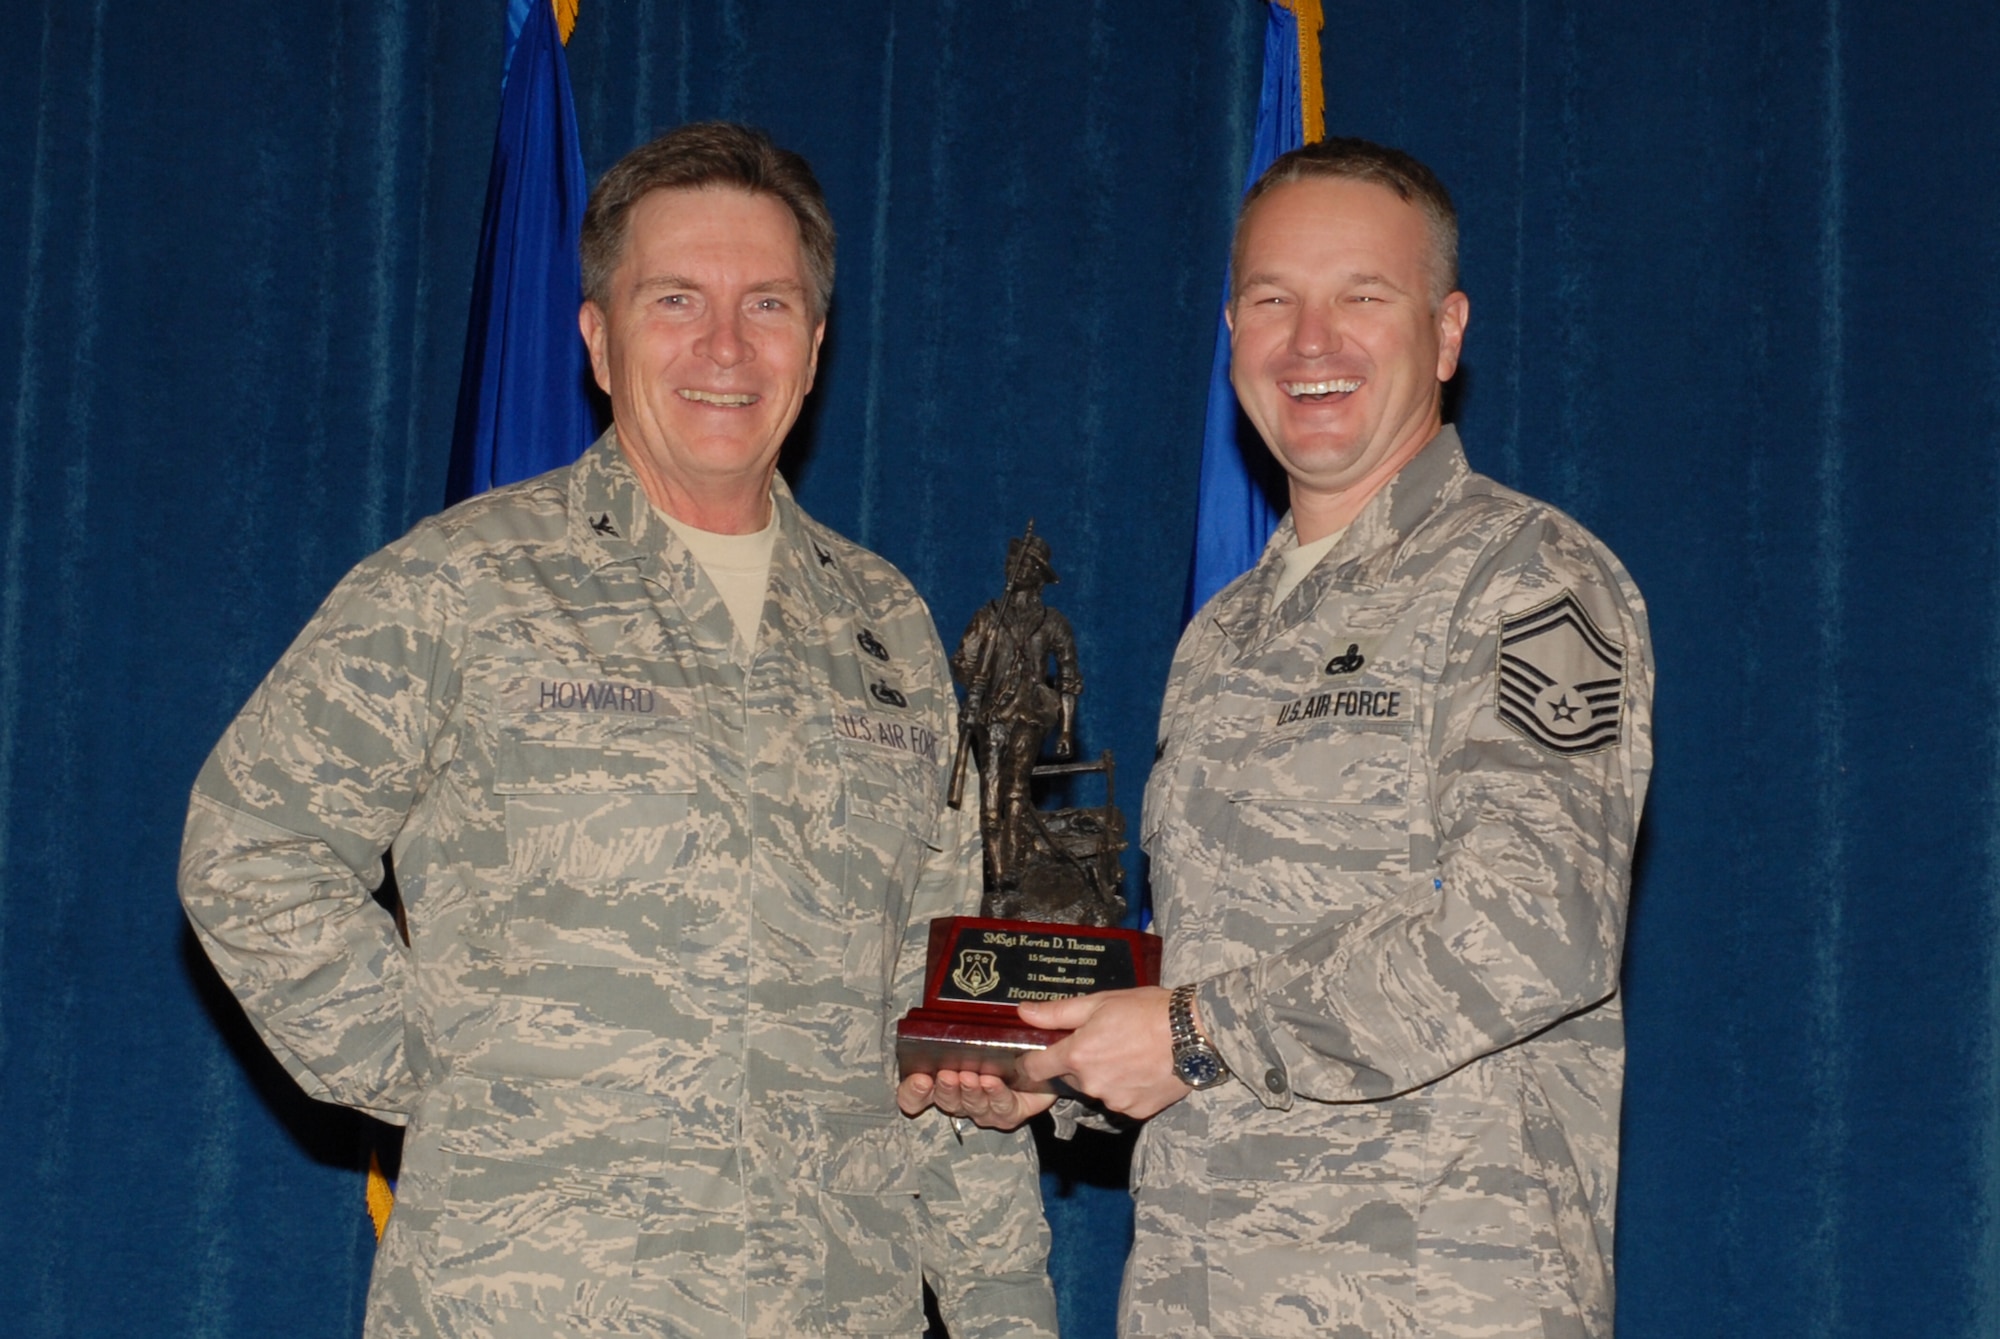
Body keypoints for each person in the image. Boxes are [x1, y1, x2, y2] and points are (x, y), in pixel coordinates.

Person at [180, 122, 1058, 1339]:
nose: (722, 346)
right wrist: (449, 1070)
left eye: (766, 304)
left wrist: (1002, 1303)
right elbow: (249, 844)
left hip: (834, 1305)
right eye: (674, 300)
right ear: (597, 338)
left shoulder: (885, 626)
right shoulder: (463, 585)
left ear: (812, 344)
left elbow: (940, 997)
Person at [901, 137, 1654, 1339]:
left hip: (1435, 1299)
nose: (1312, 342)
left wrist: (1192, 1034)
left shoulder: (1523, 582)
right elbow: (1216, 968)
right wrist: (1054, 1070)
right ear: (1232, 334)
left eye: (1362, 295)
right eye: (1272, 301)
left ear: (1446, 332)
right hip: (1206, 1294)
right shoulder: (1227, 634)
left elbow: (1535, 932)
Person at [949, 531, 1081, 893]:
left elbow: (1069, 678)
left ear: (1038, 575)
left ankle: (1013, 869)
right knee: (989, 790)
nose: (1014, 568)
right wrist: (974, 679)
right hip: (991, 715)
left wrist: (1066, 730)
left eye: (1023, 564)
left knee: (1017, 790)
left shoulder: (1053, 622)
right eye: (1012, 562)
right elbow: (962, 659)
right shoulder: (989, 615)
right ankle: (996, 868)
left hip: (1030, 714)